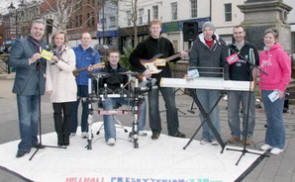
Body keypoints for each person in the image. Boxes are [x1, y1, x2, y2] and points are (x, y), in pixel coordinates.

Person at [129, 19, 186, 140]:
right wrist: (143, 70)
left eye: (157, 27)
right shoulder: (144, 44)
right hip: (152, 80)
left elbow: (172, 58)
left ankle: (174, 130)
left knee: (171, 105)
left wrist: (179, 55)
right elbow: (132, 58)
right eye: (153, 28)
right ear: (150, 29)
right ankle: (156, 131)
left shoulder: (166, 42)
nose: (155, 30)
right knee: (153, 106)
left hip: (165, 78)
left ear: (161, 29)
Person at [8, 19, 47, 158]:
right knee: (25, 118)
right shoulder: (21, 43)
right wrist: (30, 60)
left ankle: (33, 141)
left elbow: (44, 64)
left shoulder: (43, 45)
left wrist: (51, 61)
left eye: (41, 29)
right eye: (36, 28)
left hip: (37, 86)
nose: (38, 31)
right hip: (24, 87)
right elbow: (12, 61)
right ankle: (24, 146)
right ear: (31, 29)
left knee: (35, 117)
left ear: (43, 31)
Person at [189, 22, 227, 145]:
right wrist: (192, 77)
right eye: (205, 30)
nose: (207, 32)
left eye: (210, 30)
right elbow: (193, 61)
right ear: (202, 31)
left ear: (213, 31)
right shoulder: (197, 43)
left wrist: (225, 79)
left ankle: (215, 136)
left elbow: (225, 62)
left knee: (214, 110)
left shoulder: (220, 43)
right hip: (201, 82)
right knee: (203, 111)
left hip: (215, 82)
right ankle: (205, 136)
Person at [100, 49, 147, 146]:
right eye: (112, 57)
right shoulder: (103, 71)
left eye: (116, 57)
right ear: (108, 58)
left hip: (121, 95)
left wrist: (131, 95)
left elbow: (128, 86)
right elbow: (99, 87)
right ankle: (111, 137)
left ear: (118, 58)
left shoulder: (124, 70)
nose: (114, 59)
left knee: (141, 101)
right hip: (109, 97)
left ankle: (136, 131)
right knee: (108, 106)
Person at [259, 28, 291, 155]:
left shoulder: (280, 53)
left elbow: (287, 72)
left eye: (270, 37)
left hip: (276, 90)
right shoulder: (262, 54)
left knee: (276, 117)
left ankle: (279, 144)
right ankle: (269, 142)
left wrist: (282, 88)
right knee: (269, 117)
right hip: (264, 89)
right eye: (266, 37)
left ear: (275, 39)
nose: (267, 39)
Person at [227, 25, 259, 145]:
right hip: (233, 85)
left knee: (249, 113)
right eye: (236, 33)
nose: (238, 35)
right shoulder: (229, 48)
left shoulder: (251, 48)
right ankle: (235, 135)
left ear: (244, 33)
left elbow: (255, 67)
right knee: (232, 112)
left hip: (247, 85)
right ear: (233, 35)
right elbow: (226, 65)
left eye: (240, 32)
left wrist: (253, 83)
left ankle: (247, 136)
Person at [46, 31, 77, 146]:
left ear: (64, 40)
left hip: (68, 87)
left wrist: (57, 61)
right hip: (56, 87)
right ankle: (60, 136)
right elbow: (48, 72)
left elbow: (70, 68)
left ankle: (66, 136)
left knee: (68, 114)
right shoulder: (48, 53)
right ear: (53, 39)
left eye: (61, 38)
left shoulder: (70, 52)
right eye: (57, 38)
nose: (59, 40)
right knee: (57, 114)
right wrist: (48, 86)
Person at [71, 32, 101, 138]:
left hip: (87, 84)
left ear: (90, 40)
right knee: (72, 107)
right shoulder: (73, 50)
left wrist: (93, 68)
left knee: (86, 108)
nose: (86, 40)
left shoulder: (94, 52)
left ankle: (85, 129)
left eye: (88, 38)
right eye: (84, 38)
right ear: (80, 39)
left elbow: (98, 66)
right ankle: (72, 130)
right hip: (73, 84)